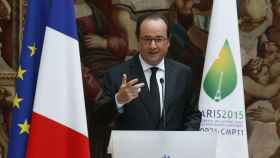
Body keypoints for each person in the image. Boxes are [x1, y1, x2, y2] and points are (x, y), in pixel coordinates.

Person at [92, 13, 201, 131]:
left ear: (168, 41)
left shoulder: (183, 74)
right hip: (132, 148)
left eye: (158, 39)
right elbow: (98, 119)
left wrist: (183, 142)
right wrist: (118, 100)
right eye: (147, 39)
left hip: (173, 148)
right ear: (138, 40)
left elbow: (193, 115)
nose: (153, 46)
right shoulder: (116, 75)